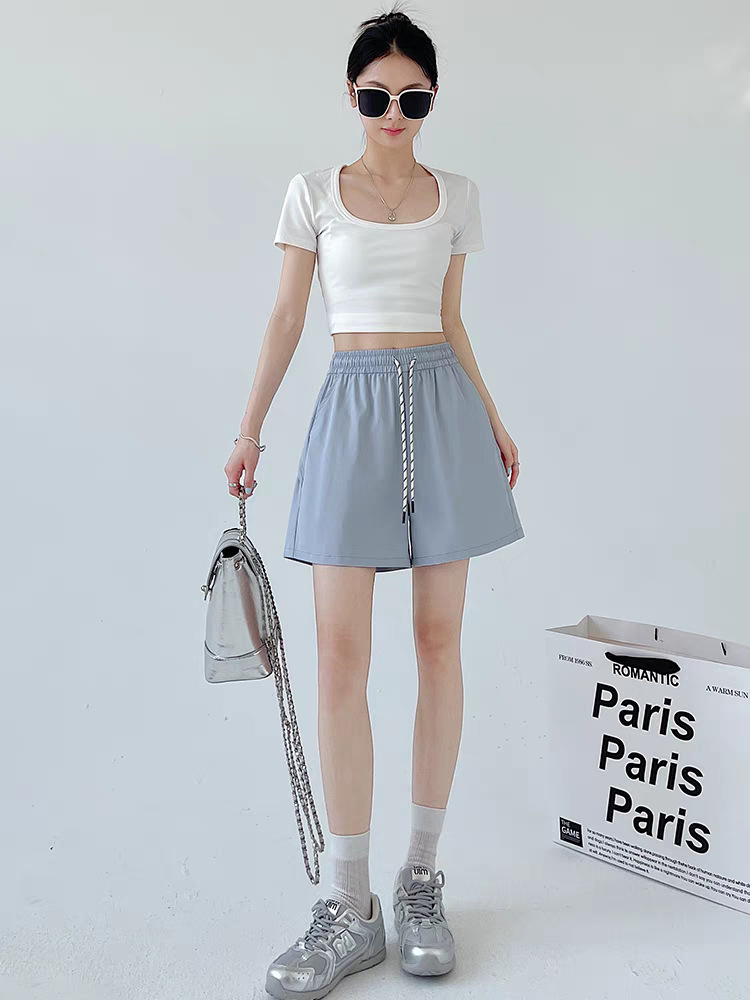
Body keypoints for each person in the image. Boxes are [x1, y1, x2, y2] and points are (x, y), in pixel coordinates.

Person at [225, 8, 525, 997]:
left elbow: (452, 319)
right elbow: (285, 315)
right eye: (375, 95)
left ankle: (421, 878)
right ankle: (347, 904)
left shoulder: (458, 195)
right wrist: (249, 430)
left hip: (442, 408)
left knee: (440, 645)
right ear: (350, 95)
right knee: (338, 658)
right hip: (349, 412)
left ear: (433, 99)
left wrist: (492, 417)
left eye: (413, 96)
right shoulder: (313, 193)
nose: (393, 112)